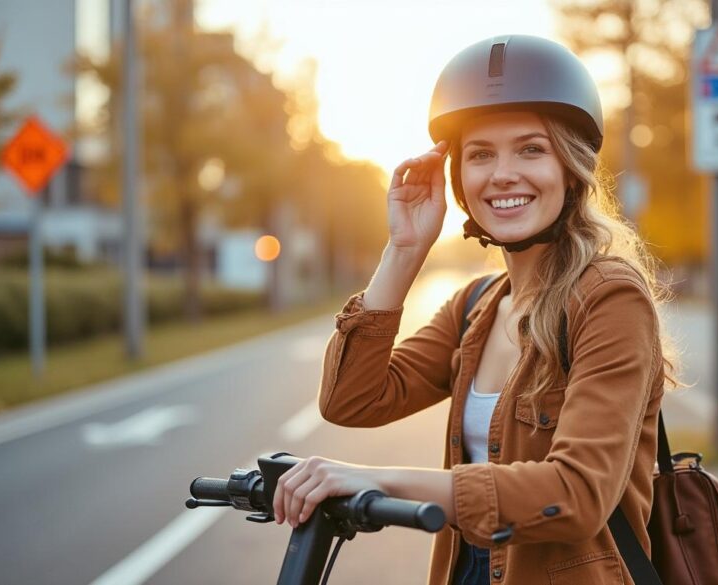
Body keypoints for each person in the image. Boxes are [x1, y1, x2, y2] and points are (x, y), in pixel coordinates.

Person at [271, 35, 680, 585]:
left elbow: (578, 494)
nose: (502, 173)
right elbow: (351, 401)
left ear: (571, 166)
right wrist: (404, 250)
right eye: (480, 154)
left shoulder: (608, 297)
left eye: (531, 149)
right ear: (459, 179)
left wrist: (375, 480)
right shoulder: (476, 307)